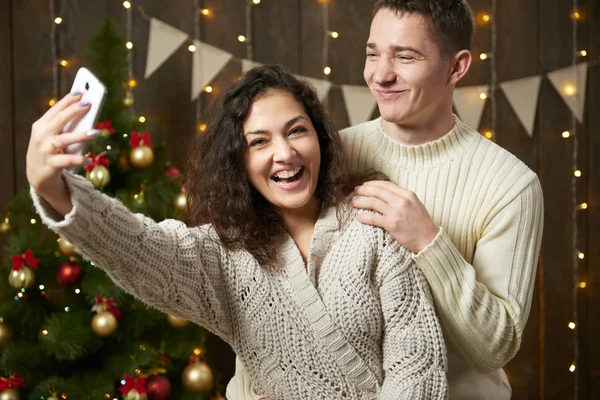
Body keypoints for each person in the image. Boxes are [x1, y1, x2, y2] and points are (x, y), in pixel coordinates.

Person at [27, 65, 449, 400]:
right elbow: (143, 248)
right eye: (259, 142)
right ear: (238, 163)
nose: (284, 153)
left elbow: (418, 365)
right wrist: (56, 190)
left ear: (319, 136)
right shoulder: (224, 254)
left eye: (297, 130)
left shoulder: (373, 223)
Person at [228, 1, 544, 399]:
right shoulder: (329, 153)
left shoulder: (510, 184)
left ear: (457, 67)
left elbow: (495, 349)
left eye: (405, 57)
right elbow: (272, 287)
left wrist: (428, 242)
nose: (380, 74)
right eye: (372, 52)